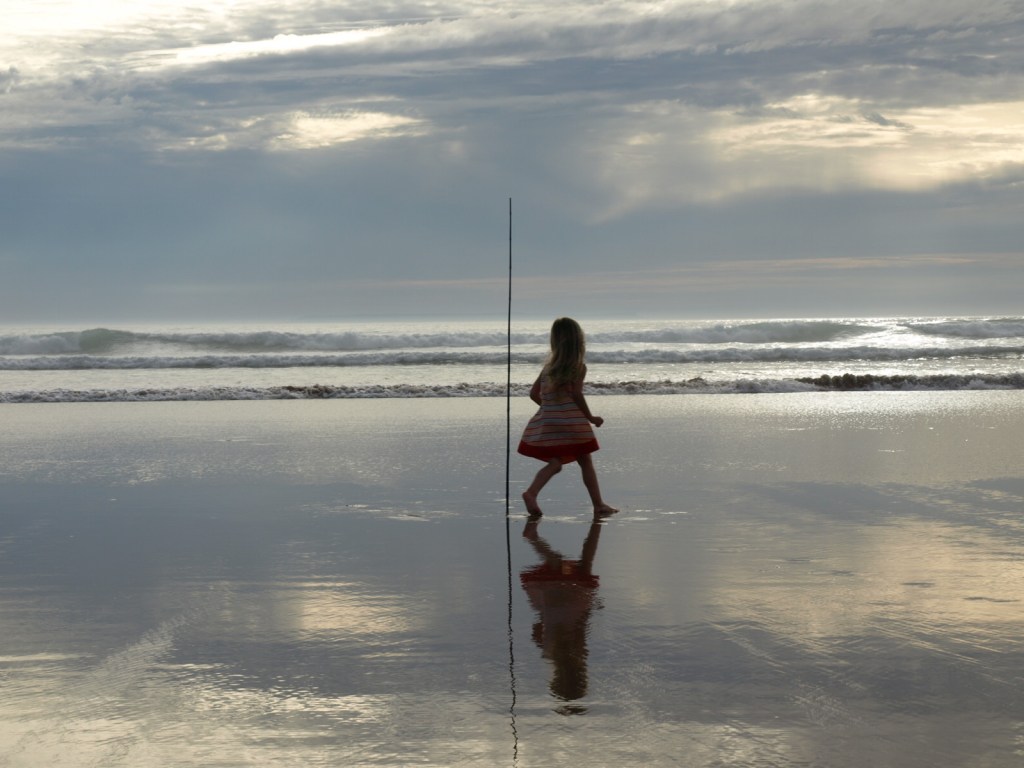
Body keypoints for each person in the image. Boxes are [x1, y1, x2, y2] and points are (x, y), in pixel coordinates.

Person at [518, 317, 617, 517]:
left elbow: (534, 394)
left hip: (549, 420)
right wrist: (590, 417)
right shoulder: (578, 367)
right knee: (585, 461)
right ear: (578, 341)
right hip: (572, 422)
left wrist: (550, 409)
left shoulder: (548, 368)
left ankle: (531, 493)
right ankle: (598, 504)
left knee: (555, 463)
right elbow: (577, 394)